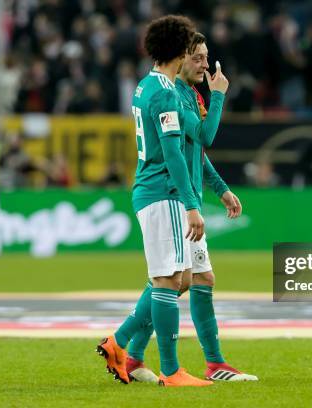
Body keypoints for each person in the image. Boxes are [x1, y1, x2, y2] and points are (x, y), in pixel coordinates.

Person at [124, 32, 258, 382]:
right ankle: (125, 346)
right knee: (172, 280)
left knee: (196, 278)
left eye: (206, 56)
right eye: (198, 57)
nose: (205, 64)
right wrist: (218, 97)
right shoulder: (175, 94)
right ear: (180, 58)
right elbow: (205, 137)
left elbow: (197, 152)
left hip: (185, 196)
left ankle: (210, 363)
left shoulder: (180, 92)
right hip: (172, 196)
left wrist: (221, 189)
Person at [95, 15, 211, 387]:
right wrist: (191, 204)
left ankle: (121, 342)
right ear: (180, 49)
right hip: (163, 192)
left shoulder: (146, 85)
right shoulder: (162, 92)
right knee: (168, 279)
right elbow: (174, 153)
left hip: (152, 189)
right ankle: (171, 369)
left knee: (182, 278)